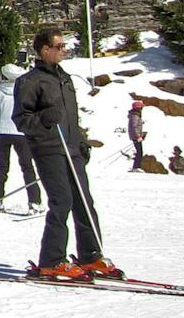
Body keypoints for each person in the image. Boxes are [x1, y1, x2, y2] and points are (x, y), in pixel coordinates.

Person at [13, 28, 119, 280]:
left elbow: (71, 118)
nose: (64, 50)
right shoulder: (30, 81)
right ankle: (51, 260)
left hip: (71, 148)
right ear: (44, 50)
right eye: (59, 46)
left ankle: (91, 256)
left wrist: (80, 140)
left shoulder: (65, 79)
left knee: (84, 201)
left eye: (64, 46)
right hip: (48, 149)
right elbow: (22, 120)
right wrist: (44, 118)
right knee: (62, 202)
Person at [0, 64, 42, 213]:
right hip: (21, 133)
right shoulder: (24, 92)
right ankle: (34, 202)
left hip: (2, 134)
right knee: (27, 167)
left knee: (2, 167)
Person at [128, 101, 145, 171]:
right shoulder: (135, 116)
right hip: (136, 137)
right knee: (139, 152)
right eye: (141, 107)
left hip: (136, 136)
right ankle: (136, 167)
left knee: (139, 151)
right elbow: (134, 127)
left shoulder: (135, 115)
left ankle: (136, 167)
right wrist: (138, 136)